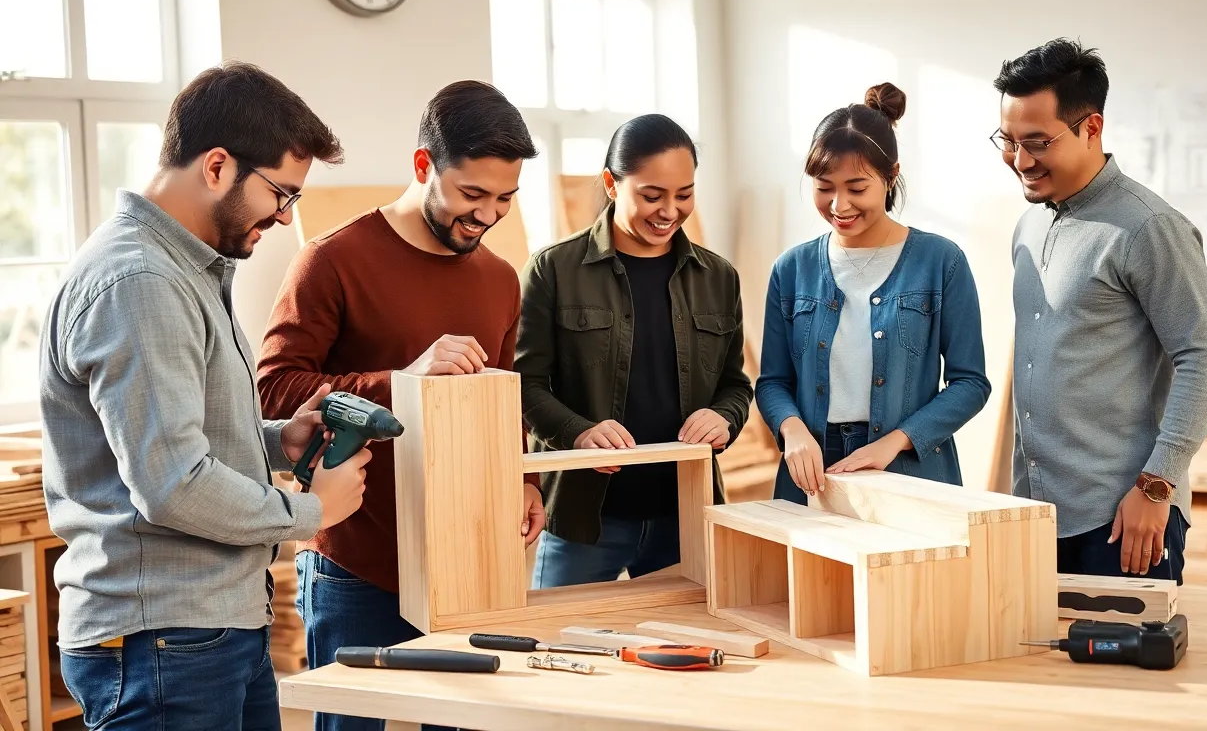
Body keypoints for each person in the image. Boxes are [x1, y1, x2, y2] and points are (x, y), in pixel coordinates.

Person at [38, 61, 370, 730]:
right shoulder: (140, 282)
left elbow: (179, 432)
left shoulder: (184, 269)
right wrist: (309, 510)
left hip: (206, 630)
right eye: (281, 193)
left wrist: (278, 439)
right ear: (217, 166)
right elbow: (173, 484)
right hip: (165, 639)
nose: (283, 216)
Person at [255, 80, 545, 731]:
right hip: (354, 561)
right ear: (424, 166)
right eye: (472, 194)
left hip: (460, 561)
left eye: (505, 198)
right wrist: (401, 380)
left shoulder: (499, 279)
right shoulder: (330, 261)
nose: (489, 214)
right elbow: (273, 389)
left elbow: (501, 401)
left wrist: (522, 477)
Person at [993, 38, 1207, 583]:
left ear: (1091, 128)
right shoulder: (1030, 225)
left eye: (1037, 142)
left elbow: (1206, 361)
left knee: (1127, 668)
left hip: (1126, 518)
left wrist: (1156, 486)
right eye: (1007, 141)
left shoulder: (1150, 228)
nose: (1020, 161)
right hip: (1037, 517)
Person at [515, 114, 753, 587]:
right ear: (611, 183)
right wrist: (578, 433)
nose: (670, 210)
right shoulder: (553, 270)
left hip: (686, 514)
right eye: (652, 195)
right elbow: (524, 385)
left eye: (684, 195)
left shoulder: (718, 278)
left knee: (693, 648)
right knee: (566, 644)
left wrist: (724, 417)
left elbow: (734, 384)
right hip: (586, 519)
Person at [756, 83, 991, 503]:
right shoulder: (791, 270)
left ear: (891, 176)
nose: (838, 205)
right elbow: (773, 381)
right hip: (811, 471)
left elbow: (970, 383)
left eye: (856, 188)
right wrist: (791, 430)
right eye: (824, 187)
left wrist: (893, 443)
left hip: (909, 468)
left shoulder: (942, 261)